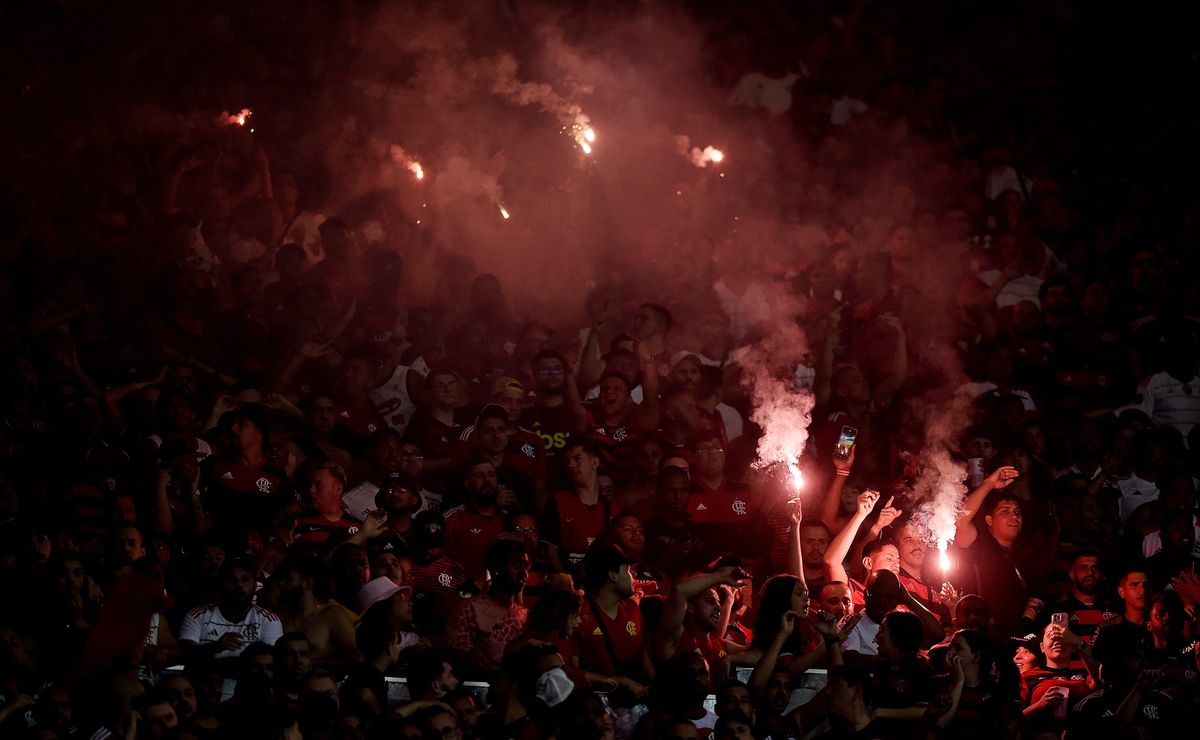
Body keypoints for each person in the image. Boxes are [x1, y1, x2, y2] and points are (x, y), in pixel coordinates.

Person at [953, 466, 1025, 639]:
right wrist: (989, 483)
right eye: (1005, 511)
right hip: (982, 640)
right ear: (989, 520)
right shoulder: (981, 546)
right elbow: (960, 521)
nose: (1014, 516)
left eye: (1017, 512)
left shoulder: (1020, 557)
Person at [574, 542, 652, 694]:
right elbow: (573, 671)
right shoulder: (579, 615)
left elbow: (643, 656)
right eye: (628, 570)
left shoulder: (633, 609)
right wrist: (621, 682)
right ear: (613, 575)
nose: (632, 576)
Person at [446, 539, 530, 675]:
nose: (524, 572)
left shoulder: (525, 615)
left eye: (526, 566)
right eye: (517, 565)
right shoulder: (468, 610)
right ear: (496, 568)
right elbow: (459, 663)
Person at [179, 558, 283, 664]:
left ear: (255, 586)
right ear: (220, 584)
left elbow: (273, 661)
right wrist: (216, 647)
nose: (239, 584)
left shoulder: (268, 619)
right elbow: (186, 655)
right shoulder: (197, 615)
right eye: (231, 579)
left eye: (245, 579)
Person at [542, 440, 621, 566]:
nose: (571, 465)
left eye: (577, 459)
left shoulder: (615, 507)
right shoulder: (557, 502)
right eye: (567, 461)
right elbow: (550, 548)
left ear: (595, 462)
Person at [443, 457, 507, 579]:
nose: (487, 480)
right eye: (479, 475)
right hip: (463, 592)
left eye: (491, 475)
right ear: (467, 484)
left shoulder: (508, 518)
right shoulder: (452, 518)